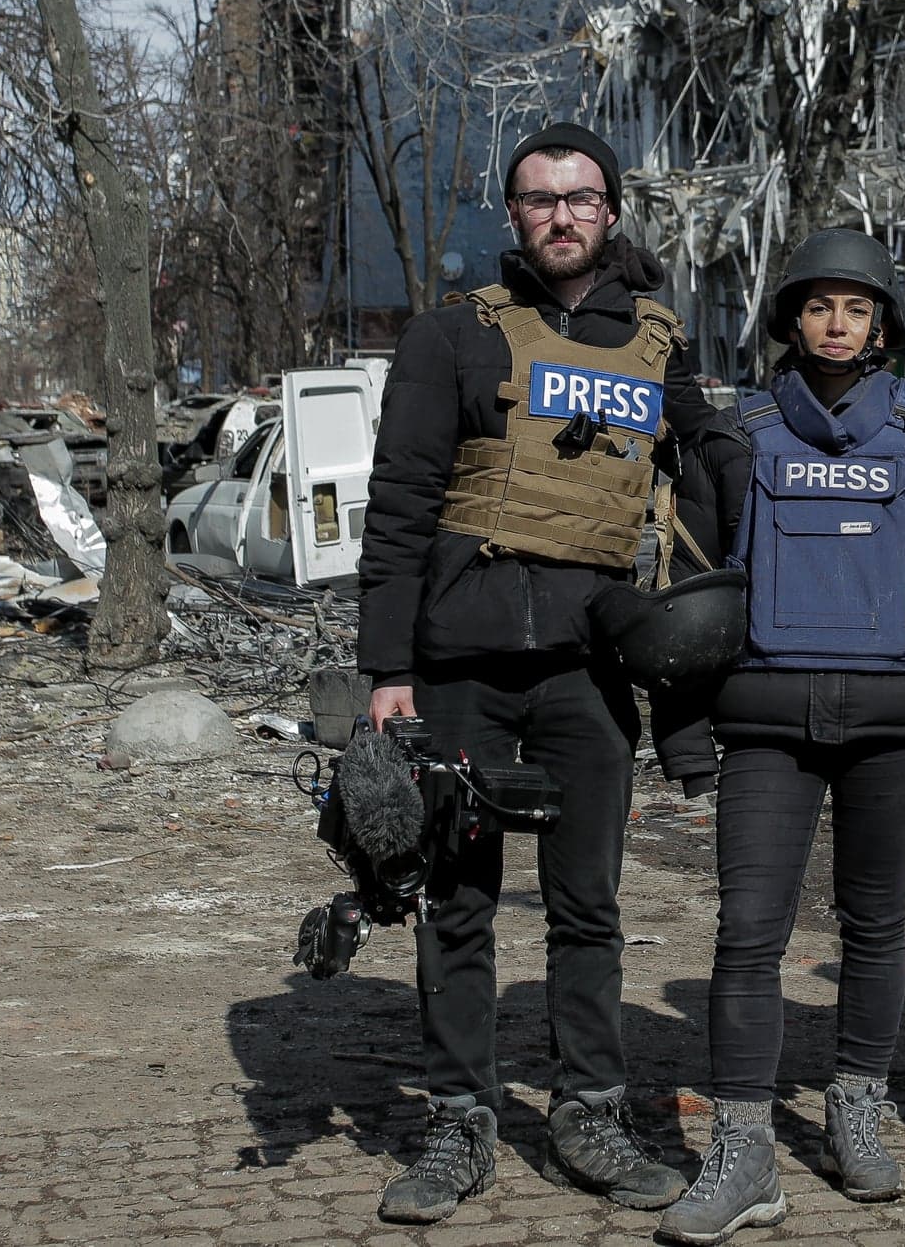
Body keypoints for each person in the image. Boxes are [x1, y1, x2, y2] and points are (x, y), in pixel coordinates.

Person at [354, 121, 748, 1227]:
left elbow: (706, 474)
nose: (562, 215)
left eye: (582, 198)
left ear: (611, 212)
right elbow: (398, 508)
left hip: (585, 667)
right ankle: (458, 1123)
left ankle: (589, 1116)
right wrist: (386, 669)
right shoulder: (451, 339)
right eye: (540, 199)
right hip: (461, 668)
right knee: (459, 906)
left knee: (589, 908)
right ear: (513, 213)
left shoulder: (659, 340)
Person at [653, 229, 905, 1247]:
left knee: (876, 926)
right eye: (819, 306)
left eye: (857, 308)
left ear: (883, 323)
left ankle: (857, 1105)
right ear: (790, 320)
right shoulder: (740, 434)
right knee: (747, 934)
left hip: (892, 724)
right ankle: (744, 1151)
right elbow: (686, 585)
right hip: (764, 724)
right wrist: (681, 738)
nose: (838, 324)